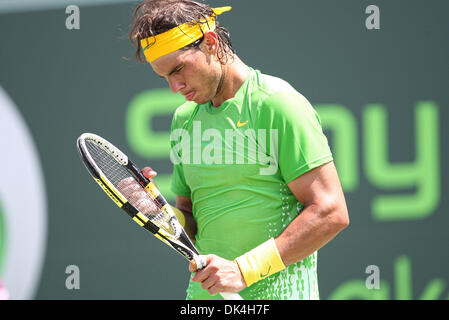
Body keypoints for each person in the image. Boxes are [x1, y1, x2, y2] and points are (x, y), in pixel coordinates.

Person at [129, 0, 349, 300]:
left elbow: (330, 211)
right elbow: (191, 221)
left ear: (210, 42)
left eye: (178, 69)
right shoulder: (183, 120)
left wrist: (243, 271)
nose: (174, 87)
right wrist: (158, 211)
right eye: (164, 77)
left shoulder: (277, 104)